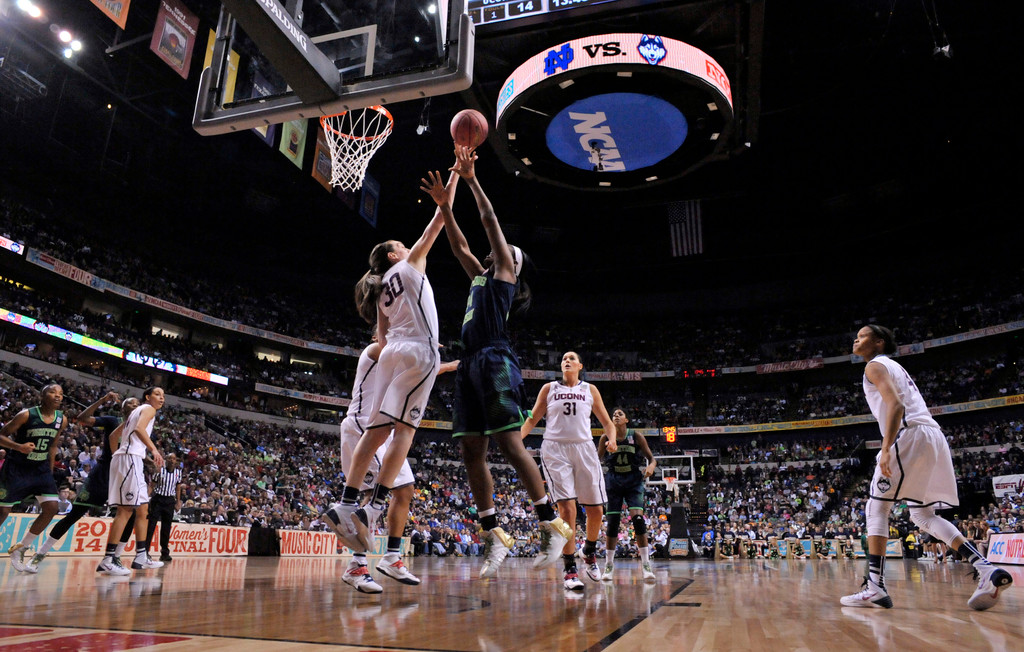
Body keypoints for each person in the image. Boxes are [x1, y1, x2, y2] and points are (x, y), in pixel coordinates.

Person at [434, 145, 571, 579]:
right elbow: (458, 244)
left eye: (506, 250)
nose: (498, 250)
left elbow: (491, 224)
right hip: (470, 361)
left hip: (495, 358)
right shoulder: (479, 275)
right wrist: (444, 208)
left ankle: (552, 524)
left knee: (511, 445)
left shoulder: (506, 277)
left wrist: (472, 180)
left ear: (513, 263)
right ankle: (494, 534)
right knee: (471, 450)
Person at [328, 168, 454, 566]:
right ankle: (372, 510)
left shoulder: (381, 292)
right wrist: (454, 180)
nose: (406, 246)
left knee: (381, 429)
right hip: (417, 350)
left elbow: (381, 342)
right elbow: (438, 223)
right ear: (394, 255)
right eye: (400, 245)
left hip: (393, 354)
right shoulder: (407, 264)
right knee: (405, 432)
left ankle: (351, 505)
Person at [840, 325, 1012, 611]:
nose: (855, 338)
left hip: (909, 435)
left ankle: (874, 587)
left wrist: (885, 448)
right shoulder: (893, 366)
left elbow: (895, 407)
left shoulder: (874, 366)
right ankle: (985, 569)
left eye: (863, 335)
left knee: (877, 508)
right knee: (922, 515)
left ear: (879, 342)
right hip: (932, 436)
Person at [330, 333, 457, 593]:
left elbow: (416, 370)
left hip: (381, 433)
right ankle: (360, 563)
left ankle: (388, 557)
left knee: (405, 490)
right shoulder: (376, 349)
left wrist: (447, 366)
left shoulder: (395, 355)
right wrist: (427, 345)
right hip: (362, 427)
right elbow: (400, 353)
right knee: (374, 498)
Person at [521, 351, 616, 591]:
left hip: (584, 448)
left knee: (596, 510)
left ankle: (589, 551)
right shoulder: (549, 388)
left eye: (572, 358)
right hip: (555, 449)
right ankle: (569, 568)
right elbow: (532, 419)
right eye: (564, 358)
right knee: (567, 509)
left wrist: (612, 439)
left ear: (580, 366)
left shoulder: (590, 390)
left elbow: (607, 422)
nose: (567, 360)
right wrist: (516, 442)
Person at [30, 392, 138, 572]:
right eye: (130, 404)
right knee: (75, 514)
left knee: (130, 515)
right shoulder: (113, 421)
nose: (134, 406)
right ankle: (39, 555)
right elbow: (82, 418)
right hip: (103, 474)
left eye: (137, 404)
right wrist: (103, 400)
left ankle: (113, 559)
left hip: (123, 475)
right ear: (123, 408)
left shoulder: (140, 428)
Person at [97, 386, 166, 575]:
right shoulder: (148, 409)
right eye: (157, 394)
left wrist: (116, 455)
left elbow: (113, 436)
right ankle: (108, 559)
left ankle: (141, 555)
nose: (161, 398)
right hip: (130, 459)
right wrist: (153, 450)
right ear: (147, 396)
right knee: (125, 510)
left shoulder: (135, 412)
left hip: (127, 458)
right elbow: (139, 429)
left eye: (163, 396)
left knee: (143, 510)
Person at [0, 383, 68, 573]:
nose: (58, 396)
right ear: (43, 395)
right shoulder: (26, 415)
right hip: (17, 468)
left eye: (61, 394)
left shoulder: (61, 419)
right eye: (53, 392)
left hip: (41, 469)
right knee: (3, 512)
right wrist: (18, 447)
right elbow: (1, 435)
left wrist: (51, 468)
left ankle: (21, 547)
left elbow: (53, 445)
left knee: (52, 508)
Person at [596, 407, 657, 581]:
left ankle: (645, 564)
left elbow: (652, 458)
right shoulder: (605, 438)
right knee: (613, 523)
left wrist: (651, 466)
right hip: (613, 480)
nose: (616, 415)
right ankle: (608, 565)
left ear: (626, 420)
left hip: (633, 480)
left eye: (620, 414)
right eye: (613, 414)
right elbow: (595, 460)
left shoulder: (636, 436)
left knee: (638, 520)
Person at [144, 452, 182, 562]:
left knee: (166, 528)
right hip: (158, 499)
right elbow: (152, 485)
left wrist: (178, 502)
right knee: (151, 525)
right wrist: (146, 498)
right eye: (169, 458)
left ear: (176, 461)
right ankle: (145, 551)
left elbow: (178, 488)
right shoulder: (160, 470)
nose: (171, 460)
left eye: (174, 458)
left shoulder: (178, 473)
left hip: (170, 501)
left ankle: (164, 552)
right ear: (166, 460)